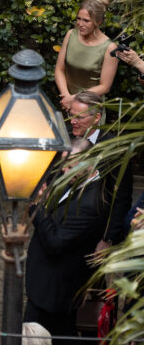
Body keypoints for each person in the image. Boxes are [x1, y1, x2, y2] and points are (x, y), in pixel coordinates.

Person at [24, 141, 108, 345]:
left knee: (29, 342)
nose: (64, 170)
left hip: (54, 287)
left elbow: (56, 243)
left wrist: (38, 206)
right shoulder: (74, 179)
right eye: (64, 164)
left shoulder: (91, 204)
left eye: (71, 166)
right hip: (48, 282)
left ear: (89, 164)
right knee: (62, 335)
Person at [68, 91, 132, 249]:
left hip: (94, 232)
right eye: (71, 115)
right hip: (63, 226)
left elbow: (121, 198)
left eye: (80, 117)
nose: (73, 121)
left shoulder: (114, 149)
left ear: (96, 118)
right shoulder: (64, 137)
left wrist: (108, 238)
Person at [54, 0, 118, 112]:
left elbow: (105, 87)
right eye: (79, 19)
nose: (80, 24)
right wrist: (66, 97)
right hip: (66, 102)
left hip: (90, 107)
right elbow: (59, 69)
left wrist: (75, 99)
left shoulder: (109, 47)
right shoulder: (70, 35)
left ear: (98, 22)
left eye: (86, 21)